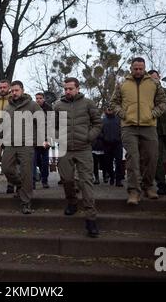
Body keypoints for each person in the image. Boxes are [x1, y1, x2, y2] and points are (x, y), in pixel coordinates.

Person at [110, 57, 166, 205]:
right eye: (135, 68)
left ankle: (148, 186)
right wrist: (124, 114)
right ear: (131, 68)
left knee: (152, 157)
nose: (138, 71)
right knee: (133, 159)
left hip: (149, 126)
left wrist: (152, 114)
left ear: (144, 68)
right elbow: (113, 103)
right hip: (128, 127)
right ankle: (134, 191)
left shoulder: (154, 83)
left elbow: (163, 102)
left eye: (140, 69)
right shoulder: (122, 83)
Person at [54, 77, 102, 238]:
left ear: (77, 88)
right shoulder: (58, 105)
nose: (67, 91)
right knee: (67, 180)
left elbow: (97, 123)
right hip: (65, 149)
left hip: (84, 149)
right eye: (65, 89)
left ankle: (91, 219)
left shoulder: (88, 103)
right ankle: (72, 202)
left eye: (70, 89)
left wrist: (89, 137)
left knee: (86, 182)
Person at [0, 80, 44, 214]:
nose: (14, 93)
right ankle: (21, 186)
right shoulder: (8, 107)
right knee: (6, 168)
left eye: (17, 90)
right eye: (12, 91)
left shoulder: (32, 105)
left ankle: (26, 202)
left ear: (22, 90)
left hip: (26, 145)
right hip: (10, 144)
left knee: (26, 173)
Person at [33, 92, 53, 189]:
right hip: (35, 139)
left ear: (44, 99)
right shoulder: (32, 108)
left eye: (40, 98)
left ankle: (45, 180)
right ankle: (33, 181)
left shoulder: (49, 109)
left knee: (45, 161)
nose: (38, 100)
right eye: (37, 98)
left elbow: (51, 126)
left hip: (45, 139)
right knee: (34, 160)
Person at [101, 104, 124, 187]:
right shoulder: (103, 121)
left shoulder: (119, 120)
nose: (109, 109)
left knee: (119, 162)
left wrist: (120, 138)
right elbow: (99, 132)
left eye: (111, 108)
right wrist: (104, 138)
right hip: (107, 145)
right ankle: (111, 176)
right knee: (108, 163)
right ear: (105, 110)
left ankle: (118, 180)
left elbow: (123, 130)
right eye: (108, 108)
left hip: (117, 144)